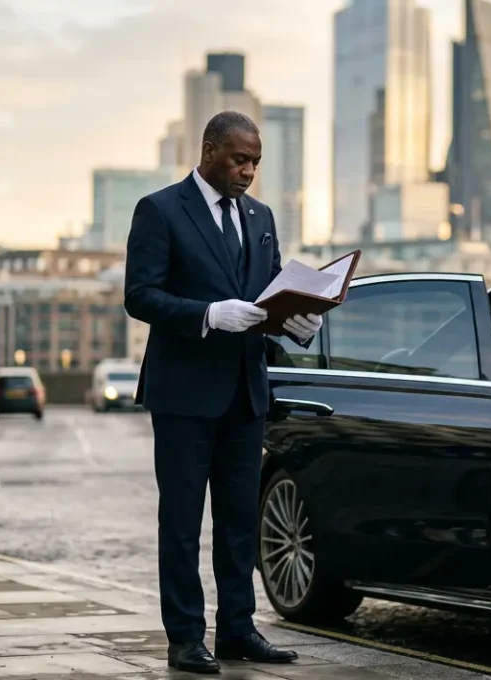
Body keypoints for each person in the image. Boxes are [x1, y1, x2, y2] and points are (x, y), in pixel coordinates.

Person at [124, 111, 320, 674]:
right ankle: (185, 637)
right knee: (182, 523)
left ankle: (237, 629)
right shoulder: (160, 210)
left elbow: (271, 291)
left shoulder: (260, 216)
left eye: (256, 161)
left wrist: (297, 321)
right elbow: (140, 296)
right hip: (184, 396)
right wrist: (209, 313)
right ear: (209, 150)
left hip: (245, 393)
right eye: (240, 159)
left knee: (238, 523)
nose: (249, 171)